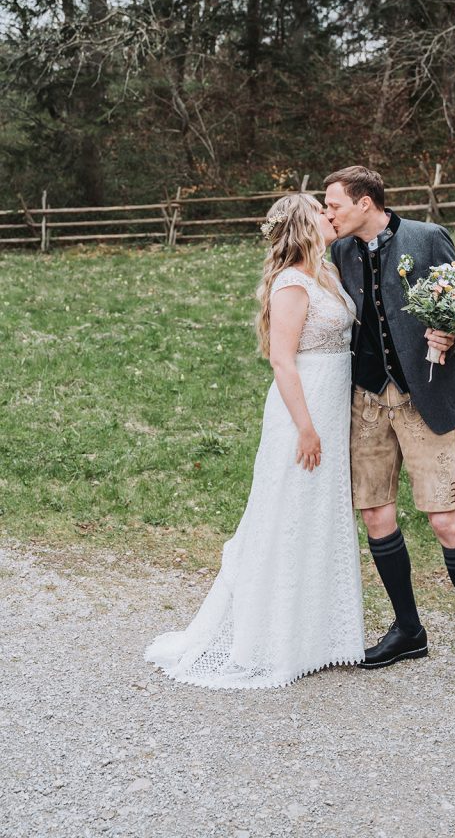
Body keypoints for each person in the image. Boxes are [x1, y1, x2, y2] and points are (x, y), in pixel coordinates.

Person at [145, 193, 365, 688]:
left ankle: (321, 636)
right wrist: (306, 427)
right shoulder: (291, 283)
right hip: (303, 409)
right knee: (286, 512)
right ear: (304, 225)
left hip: (332, 406)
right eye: (320, 211)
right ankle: (271, 638)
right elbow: (282, 360)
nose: (329, 215)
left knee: (320, 513)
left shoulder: (326, 272)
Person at [324, 165, 455, 694]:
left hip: (423, 398)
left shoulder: (427, 238)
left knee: (445, 520)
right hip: (366, 401)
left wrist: (451, 335)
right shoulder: (340, 252)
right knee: (376, 515)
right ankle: (408, 630)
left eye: (334, 204)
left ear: (365, 202)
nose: (329, 213)